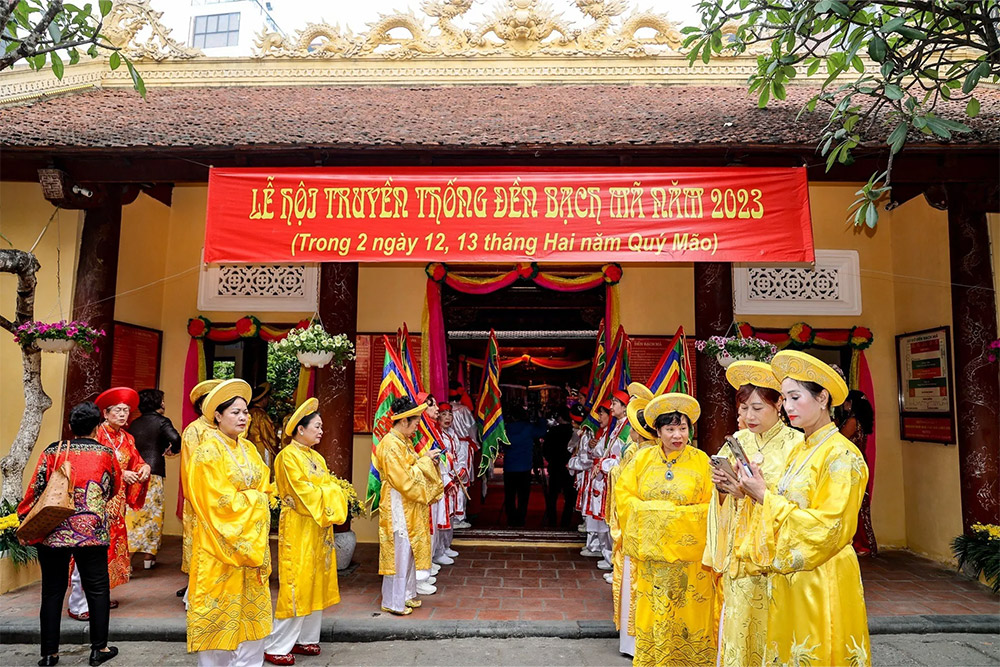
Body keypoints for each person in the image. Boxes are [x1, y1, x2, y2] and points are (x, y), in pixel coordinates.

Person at [736, 350, 871, 667]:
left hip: (821, 576)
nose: (789, 407)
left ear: (823, 398)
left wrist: (764, 497)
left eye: (796, 397)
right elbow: (786, 503)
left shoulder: (842, 456)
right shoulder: (802, 449)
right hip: (789, 575)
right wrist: (755, 491)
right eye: (785, 399)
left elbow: (830, 527)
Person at [703, 361, 803, 667]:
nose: (749, 416)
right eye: (744, 408)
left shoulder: (796, 445)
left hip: (773, 558)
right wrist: (724, 489)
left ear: (779, 404)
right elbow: (722, 496)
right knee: (739, 625)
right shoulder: (740, 440)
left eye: (757, 408)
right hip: (740, 554)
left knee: (771, 629)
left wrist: (750, 492)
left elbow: (798, 504)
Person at [614, 392, 719, 667]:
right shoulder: (642, 460)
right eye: (670, 429)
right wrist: (667, 516)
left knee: (691, 619)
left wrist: (664, 517)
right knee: (656, 620)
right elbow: (624, 499)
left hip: (692, 564)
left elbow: (713, 509)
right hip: (654, 565)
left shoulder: (702, 462)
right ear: (658, 431)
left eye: (682, 428)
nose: (677, 435)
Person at [18, 401, 122, 667]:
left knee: (52, 591)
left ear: (70, 426)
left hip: (54, 530)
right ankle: (100, 649)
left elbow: (36, 489)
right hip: (92, 532)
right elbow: (113, 487)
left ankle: (49, 654)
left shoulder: (53, 451)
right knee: (98, 589)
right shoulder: (107, 454)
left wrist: (24, 517)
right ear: (98, 427)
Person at [186, 379, 273, 666]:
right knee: (218, 615)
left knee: (251, 619)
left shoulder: (249, 449)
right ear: (218, 416)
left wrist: (256, 499)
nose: (243, 417)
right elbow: (217, 503)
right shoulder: (206, 452)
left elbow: (265, 486)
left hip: (251, 545)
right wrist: (256, 501)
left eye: (245, 412)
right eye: (235, 412)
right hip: (218, 548)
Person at [263, 398, 348, 666]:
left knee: (316, 580)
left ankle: (306, 638)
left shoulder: (315, 456)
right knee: (297, 583)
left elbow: (327, 487)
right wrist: (333, 493)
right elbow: (305, 493)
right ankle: (277, 645)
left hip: (318, 527)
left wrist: (331, 491)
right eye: (317, 426)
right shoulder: (288, 457)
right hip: (300, 525)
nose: (321, 431)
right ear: (300, 429)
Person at [69, 388, 149, 622]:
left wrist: (144, 468)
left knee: (109, 551)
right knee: (86, 551)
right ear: (105, 413)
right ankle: (78, 603)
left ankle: (99, 597)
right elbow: (90, 466)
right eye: (118, 410)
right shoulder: (96, 435)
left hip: (116, 505)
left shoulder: (128, 438)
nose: (124, 415)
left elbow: (137, 460)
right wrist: (120, 474)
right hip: (94, 503)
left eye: (126, 411)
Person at [376, 397, 444, 616]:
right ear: (404, 421)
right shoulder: (390, 443)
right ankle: (393, 601)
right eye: (415, 422)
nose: (417, 427)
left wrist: (424, 459)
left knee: (408, 551)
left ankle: (406, 594)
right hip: (398, 503)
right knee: (400, 553)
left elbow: (412, 467)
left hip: (408, 503)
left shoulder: (403, 441)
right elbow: (403, 478)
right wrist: (424, 461)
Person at [608, 392, 657, 656]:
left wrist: (614, 471)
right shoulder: (645, 453)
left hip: (640, 528)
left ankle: (637, 641)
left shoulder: (641, 454)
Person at [177, 379, 222, 606]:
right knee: (200, 546)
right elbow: (191, 468)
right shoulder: (194, 430)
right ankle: (195, 594)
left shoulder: (225, 430)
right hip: (202, 498)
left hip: (223, 501)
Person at [126, 388, 181, 570]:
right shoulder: (162, 421)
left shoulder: (134, 423)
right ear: (157, 403)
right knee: (153, 515)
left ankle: (128, 558)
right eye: (162, 400)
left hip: (134, 474)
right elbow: (176, 437)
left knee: (134, 515)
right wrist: (173, 449)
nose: (164, 404)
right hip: (153, 473)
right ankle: (149, 559)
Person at [838, 389, 878, 556]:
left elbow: (839, 439)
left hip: (850, 467)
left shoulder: (852, 421)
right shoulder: (860, 421)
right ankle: (865, 543)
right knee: (861, 506)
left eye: (847, 401)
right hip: (859, 465)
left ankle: (860, 543)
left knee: (854, 506)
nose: (844, 404)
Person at [501, 405, 546, 528]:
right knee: (523, 496)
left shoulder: (506, 429)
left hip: (510, 466)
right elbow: (542, 432)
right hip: (524, 467)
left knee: (509, 495)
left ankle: (511, 519)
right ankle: (520, 519)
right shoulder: (528, 428)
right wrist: (541, 418)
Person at [578, 401, 611, 556]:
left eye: (602, 414)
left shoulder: (613, 433)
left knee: (604, 517)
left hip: (605, 476)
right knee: (596, 514)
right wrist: (592, 446)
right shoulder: (602, 432)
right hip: (597, 475)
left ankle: (606, 552)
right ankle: (597, 546)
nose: (599, 417)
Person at [542, 406, 576, 528]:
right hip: (569, 468)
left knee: (552, 496)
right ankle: (565, 522)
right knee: (569, 497)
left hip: (555, 466)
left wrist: (551, 459)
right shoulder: (573, 431)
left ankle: (552, 521)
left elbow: (545, 450)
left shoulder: (553, 432)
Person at [247, 382, 281, 467]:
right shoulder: (261, 415)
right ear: (263, 399)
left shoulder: (249, 412)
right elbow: (269, 436)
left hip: (249, 446)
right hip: (262, 446)